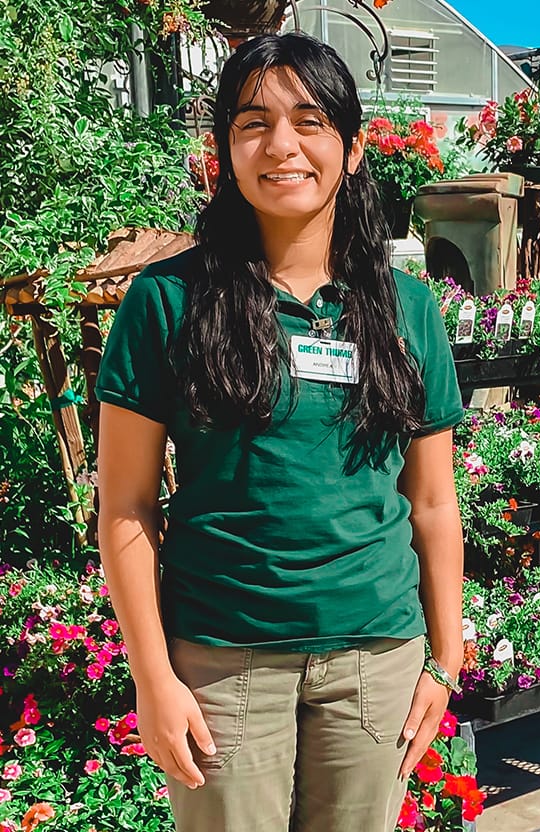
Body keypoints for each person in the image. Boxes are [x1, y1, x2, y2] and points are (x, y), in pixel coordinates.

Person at [96, 32, 464, 832]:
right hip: (222, 668)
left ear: (353, 148)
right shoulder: (165, 302)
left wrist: (444, 656)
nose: (282, 145)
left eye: (310, 120)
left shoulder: (408, 309)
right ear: (224, 148)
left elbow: (433, 501)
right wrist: (151, 676)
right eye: (253, 122)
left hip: (375, 660)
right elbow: (125, 506)